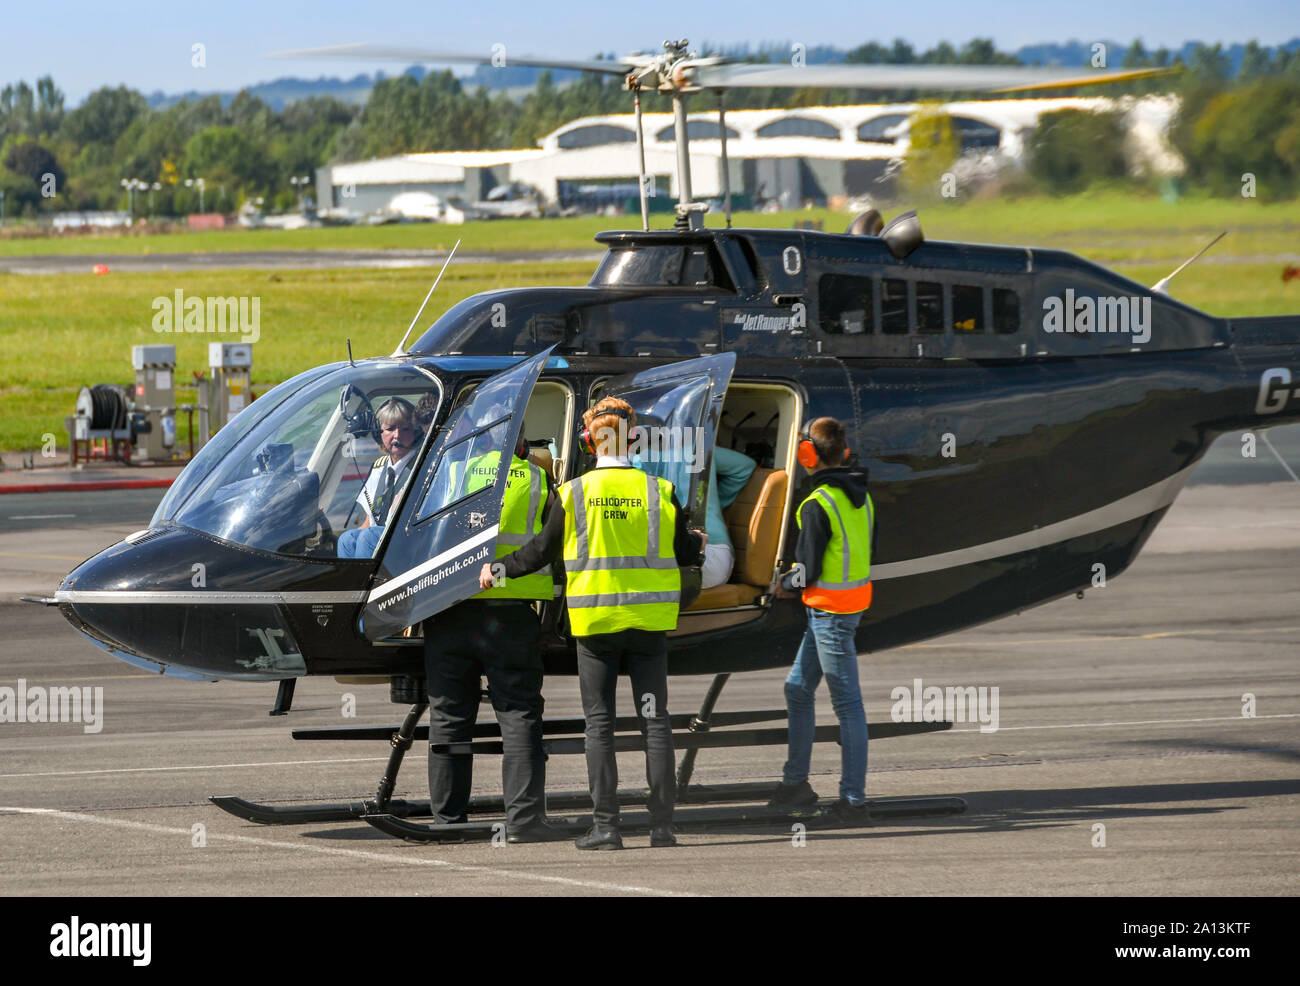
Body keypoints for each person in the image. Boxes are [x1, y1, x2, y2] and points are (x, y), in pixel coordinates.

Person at [482, 397, 706, 850]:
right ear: (636, 439)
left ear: (588, 441)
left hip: (596, 624)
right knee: (655, 721)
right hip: (648, 622)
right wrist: (693, 541)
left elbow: (539, 552)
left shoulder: (574, 493)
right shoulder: (660, 491)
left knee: (599, 723)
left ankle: (607, 827)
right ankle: (662, 827)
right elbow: (684, 553)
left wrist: (498, 570)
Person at [425, 430, 565, 843]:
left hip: (451, 610)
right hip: (512, 613)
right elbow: (549, 544)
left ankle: (447, 821)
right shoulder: (537, 479)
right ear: (519, 444)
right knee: (519, 713)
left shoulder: (450, 474)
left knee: (448, 716)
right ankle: (524, 821)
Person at [769, 416, 874, 826]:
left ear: (807, 455)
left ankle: (854, 801)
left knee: (848, 706)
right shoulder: (860, 496)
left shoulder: (817, 504)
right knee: (797, 688)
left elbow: (806, 569)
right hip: (845, 606)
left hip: (829, 612)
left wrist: (781, 585)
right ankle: (795, 782)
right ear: (843, 452)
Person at [337, 397, 420, 559]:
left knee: (369, 536)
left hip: (406, 541)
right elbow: (369, 521)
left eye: (405, 429)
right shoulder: (378, 469)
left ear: (415, 432)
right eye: (390, 429)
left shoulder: (420, 465)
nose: (397, 435)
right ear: (378, 432)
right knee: (347, 539)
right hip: (378, 538)